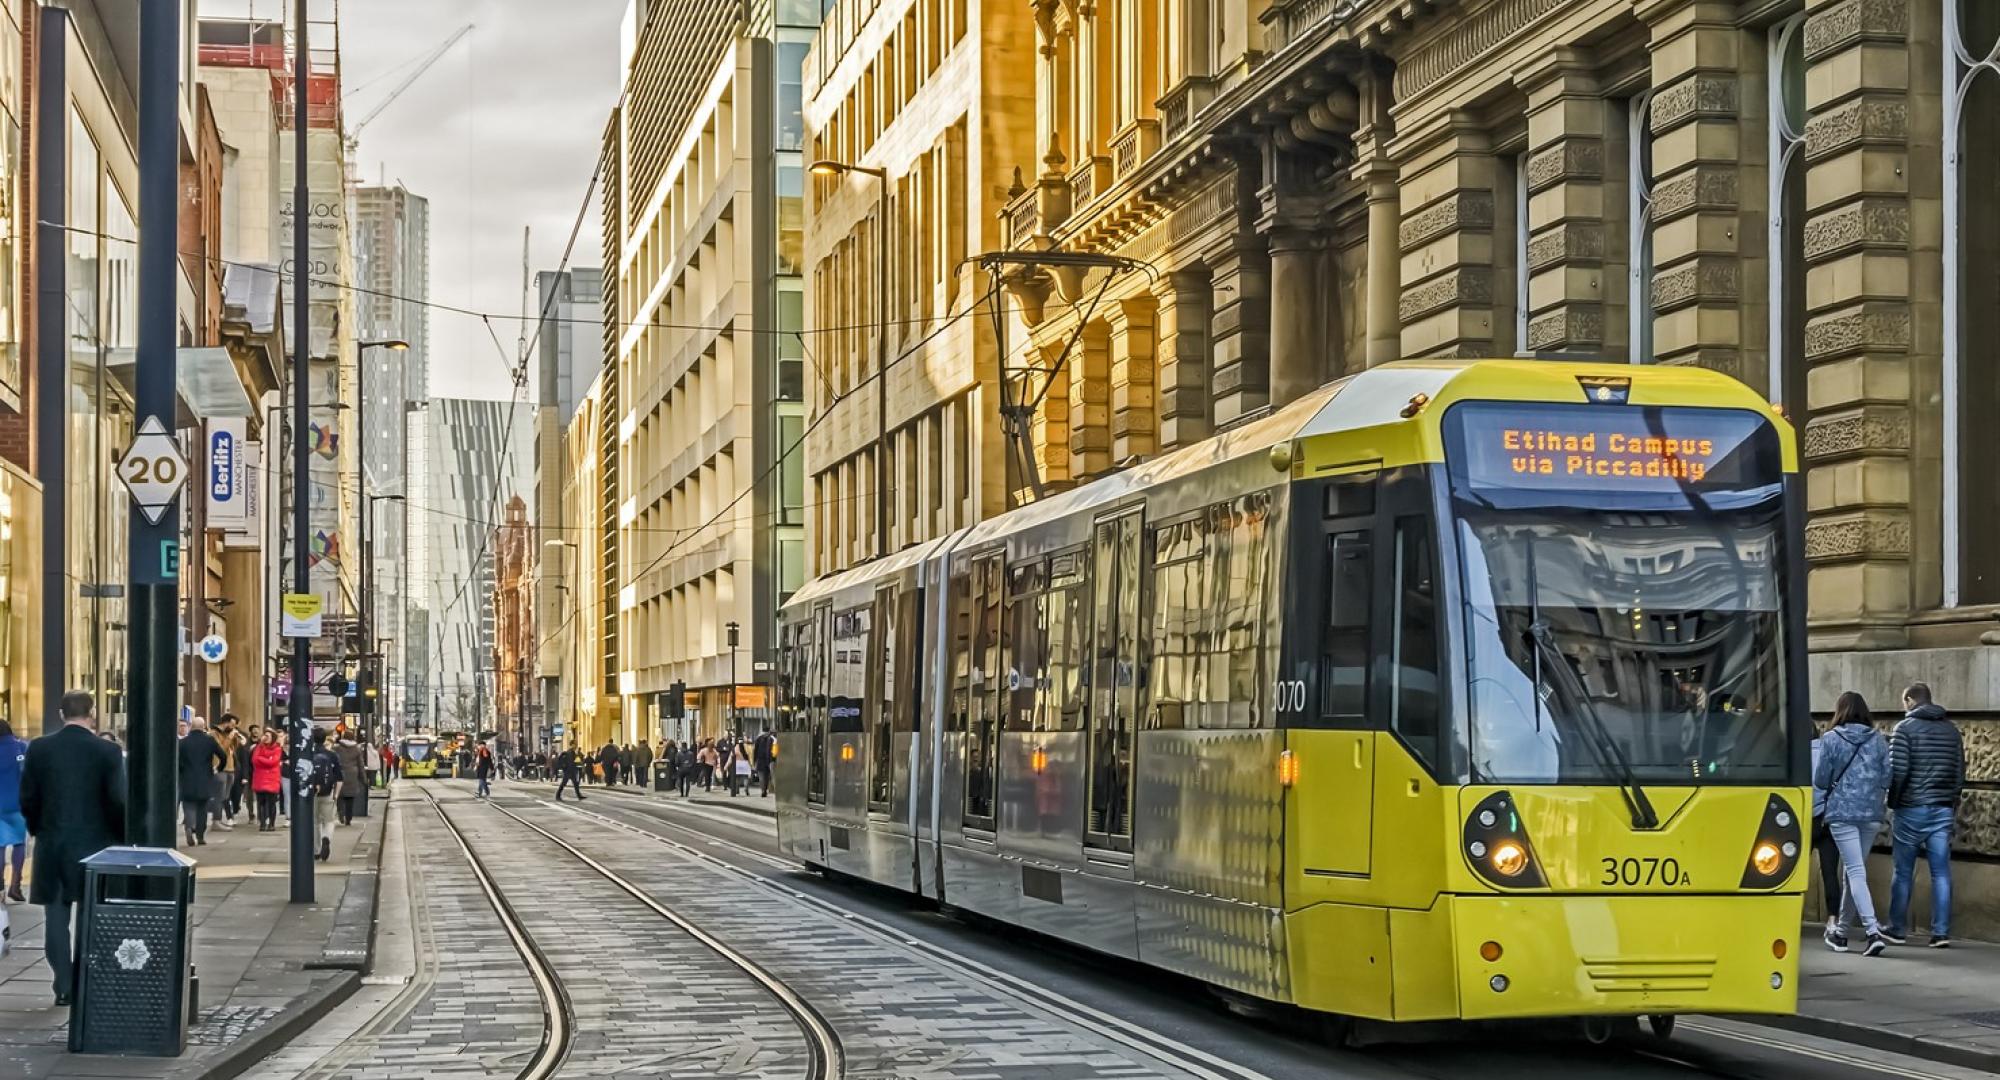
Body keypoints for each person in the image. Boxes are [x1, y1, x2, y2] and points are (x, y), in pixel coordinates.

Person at [20, 691, 126, 1005]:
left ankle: (63, 983)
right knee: (90, 916)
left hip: (53, 842)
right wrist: (119, 837)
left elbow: (28, 797)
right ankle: (87, 979)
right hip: (96, 843)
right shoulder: (107, 751)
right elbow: (117, 800)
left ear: (61, 713)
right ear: (92, 714)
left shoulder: (40, 748)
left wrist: (38, 828)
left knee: (55, 917)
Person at [1883, 682, 1967, 948]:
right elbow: (1959, 772)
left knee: (1903, 871)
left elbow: (1899, 772)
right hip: (1941, 808)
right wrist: (1950, 800)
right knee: (1941, 872)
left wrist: (1894, 802)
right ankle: (1940, 932)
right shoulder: (1951, 731)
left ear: (1910, 700)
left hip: (1911, 808)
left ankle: (1897, 928)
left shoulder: (1904, 729)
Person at [1816, 691, 1892, 956]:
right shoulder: (1879, 740)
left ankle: (1872, 931)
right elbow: (1887, 778)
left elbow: (1821, 780)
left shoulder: (1831, 739)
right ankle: (1842, 933)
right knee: (1853, 872)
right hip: (1871, 814)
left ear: (1840, 711)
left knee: (1855, 872)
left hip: (1842, 813)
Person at [1809, 727, 1844, 935]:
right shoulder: (1830, 752)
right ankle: (1833, 919)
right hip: (1829, 818)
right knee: (1830, 871)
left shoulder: (1796, 757)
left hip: (1804, 819)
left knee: (1792, 870)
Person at [177, 717, 226, 846]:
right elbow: (223, 756)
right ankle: (200, 836)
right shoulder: (209, 741)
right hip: (205, 779)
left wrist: (180, 771)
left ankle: (189, 826)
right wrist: (218, 768)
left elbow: (176, 761)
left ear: (191, 726)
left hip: (186, 779)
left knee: (188, 805)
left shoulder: (183, 742)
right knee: (202, 808)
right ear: (204, 726)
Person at [0, 719, 28, 902]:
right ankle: (15, 885)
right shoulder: (23, 748)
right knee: (19, 844)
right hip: (19, 805)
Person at [309, 731, 342, 861]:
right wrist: (336, 794)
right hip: (328, 792)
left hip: (312, 793)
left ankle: (316, 850)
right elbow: (339, 777)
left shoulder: (309, 754)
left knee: (315, 821)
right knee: (329, 820)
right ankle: (326, 838)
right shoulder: (332, 755)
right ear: (324, 740)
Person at [213, 715, 242, 829]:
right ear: (225, 723)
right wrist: (229, 737)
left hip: (230, 768)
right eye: (232, 725)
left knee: (225, 796)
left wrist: (235, 739)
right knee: (219, 796)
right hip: (221, 768)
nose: (233, 727)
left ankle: (220, 819)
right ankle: (216, 820)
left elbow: (232, 749)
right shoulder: (215, 733)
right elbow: (219, 749)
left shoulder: (227, 734)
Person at [251, 730, 284, 831]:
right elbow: (254, 760)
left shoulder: (277, 749)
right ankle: (262, 823)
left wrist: (261, 759)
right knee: (261, 803)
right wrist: (264, 759)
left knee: (271, 803)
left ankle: (271, 824)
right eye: (264, 735)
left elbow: (273, 762)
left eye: (268, 736)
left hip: (272, 779)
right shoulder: (259, 747)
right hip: (260, 779)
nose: (265, 738)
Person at [334, 731, 367, 826]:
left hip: (340, 774)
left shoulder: (337, 748)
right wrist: (364, 780)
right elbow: (361, 765)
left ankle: (341, 813)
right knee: (350, 799)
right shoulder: (356, 749)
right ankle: (348, 818)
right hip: (353, 775)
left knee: (340, 797)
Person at [753, 729, 776, 798]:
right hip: (768, 760)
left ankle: (763, 790)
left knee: (761, 777)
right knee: (767, 777)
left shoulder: (758, 739)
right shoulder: (771, 739)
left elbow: (755, 750)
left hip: (760, 760)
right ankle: (765, 789)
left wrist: (754, 760)